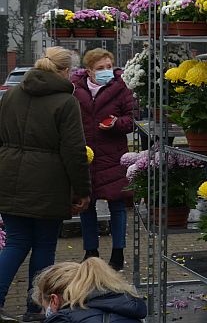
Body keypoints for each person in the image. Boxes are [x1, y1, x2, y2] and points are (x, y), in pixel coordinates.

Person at [0, 47, 91, 322]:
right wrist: (82, 190)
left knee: (15, 242)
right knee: (43, 246)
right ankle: (36, 309)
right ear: (65, 71)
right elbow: (74, 150)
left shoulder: (12, 94)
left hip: (8, 175)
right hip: (48, 182)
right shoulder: (65, 101)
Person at [72, 49, 135, 272]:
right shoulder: (75, 90)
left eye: (109, 66)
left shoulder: (121, 88)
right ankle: (91, 252)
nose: (106, 71)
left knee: (117, 204)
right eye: (100, 68)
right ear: (88, 71)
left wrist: (117, 123)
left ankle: (118, 253)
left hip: (113, 155)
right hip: (86, 155)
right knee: (86, 204)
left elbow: (132, 118)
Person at [31, 258, 147, 323]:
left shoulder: (63, 320)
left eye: (44, 308)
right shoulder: (129, 311)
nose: (44, 313)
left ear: (54, 300)